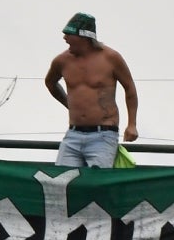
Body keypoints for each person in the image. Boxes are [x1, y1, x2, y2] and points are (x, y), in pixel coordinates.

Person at [44, 14, 137, 168]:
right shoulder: (61, 61)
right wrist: (69, 104)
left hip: (103, 134)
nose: (65, 38)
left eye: (69, 34)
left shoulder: (111, 58)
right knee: (64, 180)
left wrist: (132, 124)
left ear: (84, 37)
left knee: (97, 183)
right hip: (73, 133)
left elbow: (130, 89)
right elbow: (50, 83)